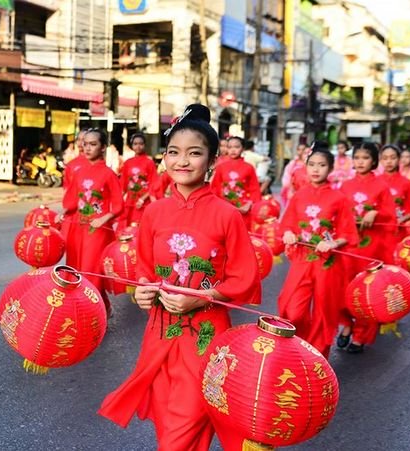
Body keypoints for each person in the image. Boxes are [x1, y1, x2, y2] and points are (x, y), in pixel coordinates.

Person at [99, 104, 261, 451]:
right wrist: (143, 291)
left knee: (182, 427)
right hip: (158, 335)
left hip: (204, 337)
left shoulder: (227, 216)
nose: (182, 161)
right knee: (168, 419)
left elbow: (244, 278)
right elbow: (144, 268)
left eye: (194, 153)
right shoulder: (154, 212)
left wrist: (201, 297)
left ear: (212, 161)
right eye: (174, 152)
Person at [277, 143, 359, 358]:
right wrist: (288, 234)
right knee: (292, 310)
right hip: (303, 259)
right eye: (311, 164)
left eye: (322, 165)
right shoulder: (299, 196)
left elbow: (348, 233)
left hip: (327, 262)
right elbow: (286, 225)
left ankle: (316, 356)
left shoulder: (339, 198)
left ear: (330, 169)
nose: (316, 169)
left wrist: (333, 243)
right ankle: (299, 347)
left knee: (324, 311)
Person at [336, 142, 397, 353]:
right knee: (342, 288)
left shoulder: (381, 186)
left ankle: (361, 335)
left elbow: (391, 217)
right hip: (349, 246)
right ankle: (346, 323)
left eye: (365, 158)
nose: (360, 161)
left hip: (372, 248)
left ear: (373, 161)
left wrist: (376, 214)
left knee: (367, 292)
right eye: (357, 157)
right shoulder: (345, 186)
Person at [58, 128, 123, 313]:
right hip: (79, 227)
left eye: (93, 144)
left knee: (91, 268)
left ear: (103, 148)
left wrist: (104, 218)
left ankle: (91, 311)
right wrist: (62, 212)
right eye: (85, 144)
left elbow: (118, 205)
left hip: (98, 229)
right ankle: (101, 306)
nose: (87, 148)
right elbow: (71, 200)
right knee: (75, 266)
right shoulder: (79, 171)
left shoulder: (109, 174)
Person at [209, 135, 261, 226]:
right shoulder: (220, 167)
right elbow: (215, 188)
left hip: (243, 209)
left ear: (243, 148)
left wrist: (248, 205)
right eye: (229, 147)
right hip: (223, 208)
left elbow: (255, 189)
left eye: (236, 147)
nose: (233, 150)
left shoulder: (249, 167)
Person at [379, 144, 410, 242]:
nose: (389, 161)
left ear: (399, 159)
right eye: (385, 158)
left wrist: (400, 220)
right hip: (378, 229)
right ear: (380, 161)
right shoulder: (375, 182)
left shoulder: (407, 183)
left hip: (399, 229)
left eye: (393, 158)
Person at [119, 133, 157, 227]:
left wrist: (142, 199)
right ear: (132, 145)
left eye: (141, 144)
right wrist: (119, 203)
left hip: (144, 203)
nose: (138, 146)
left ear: (144, 145)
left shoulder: (149, 163)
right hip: (130, 203)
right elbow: (123, 184)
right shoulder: (128, 163)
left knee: (142, 229)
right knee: (129, 231)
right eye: (135, 144)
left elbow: (154, 184)